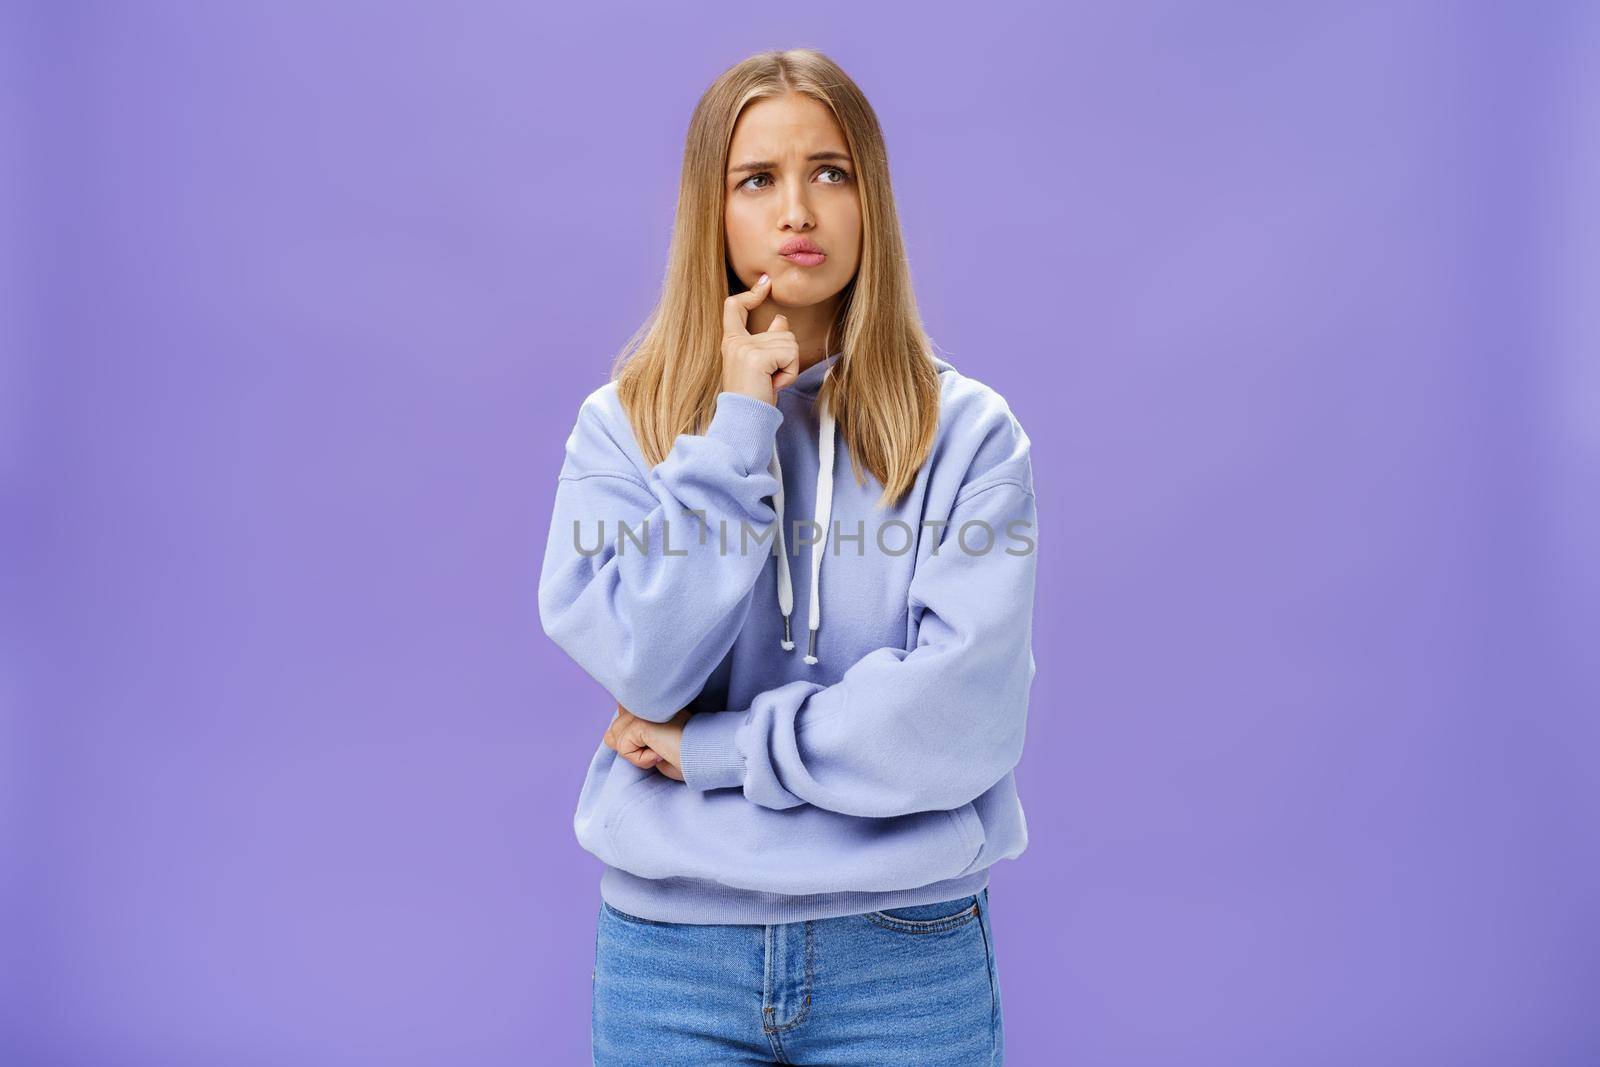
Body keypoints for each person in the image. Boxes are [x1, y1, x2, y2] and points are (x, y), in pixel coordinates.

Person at [537, 47, 1037, 1066]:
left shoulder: (970, 436)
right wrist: (732, 431)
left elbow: (958, 716)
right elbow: (646, 667)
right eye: (757, 179)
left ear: (872, 202)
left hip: (905, 954)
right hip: (671, 957)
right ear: (710, 212)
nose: (797, 209)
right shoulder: (619, 429)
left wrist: (715, 752)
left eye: (830, 171)